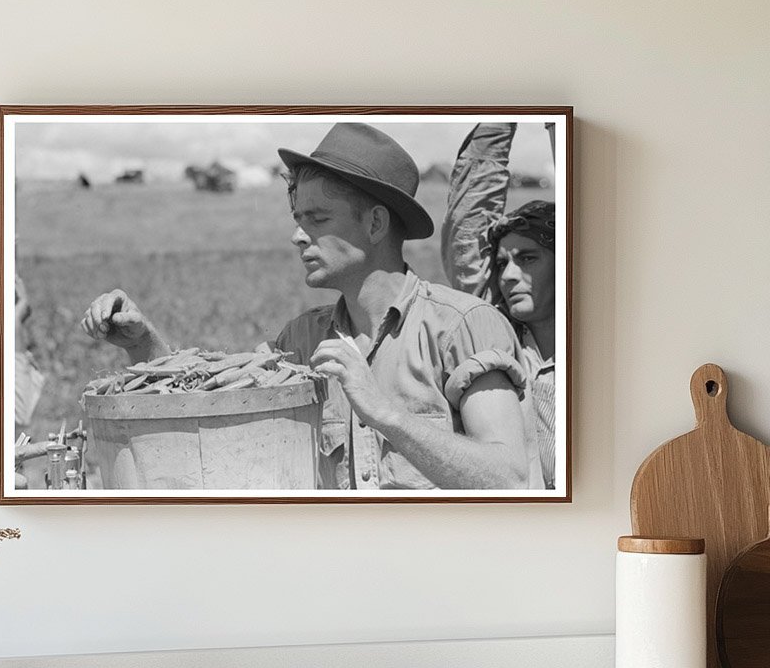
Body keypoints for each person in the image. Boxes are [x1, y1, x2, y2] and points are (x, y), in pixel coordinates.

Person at [83, 123, 542, 490]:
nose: (298, 235)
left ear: (376, 222)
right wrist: (144, 344)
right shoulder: (300, 342)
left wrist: (385, 414)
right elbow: (207, 404)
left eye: (318, 219)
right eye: (298, 219)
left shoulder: (463, 326)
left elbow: (509, 478)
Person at [442, 123, 557, 487]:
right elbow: (468, 233)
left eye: (528, 259)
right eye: (503, 262)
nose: (507, 275)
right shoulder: (500, 340)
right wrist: (499, 118)